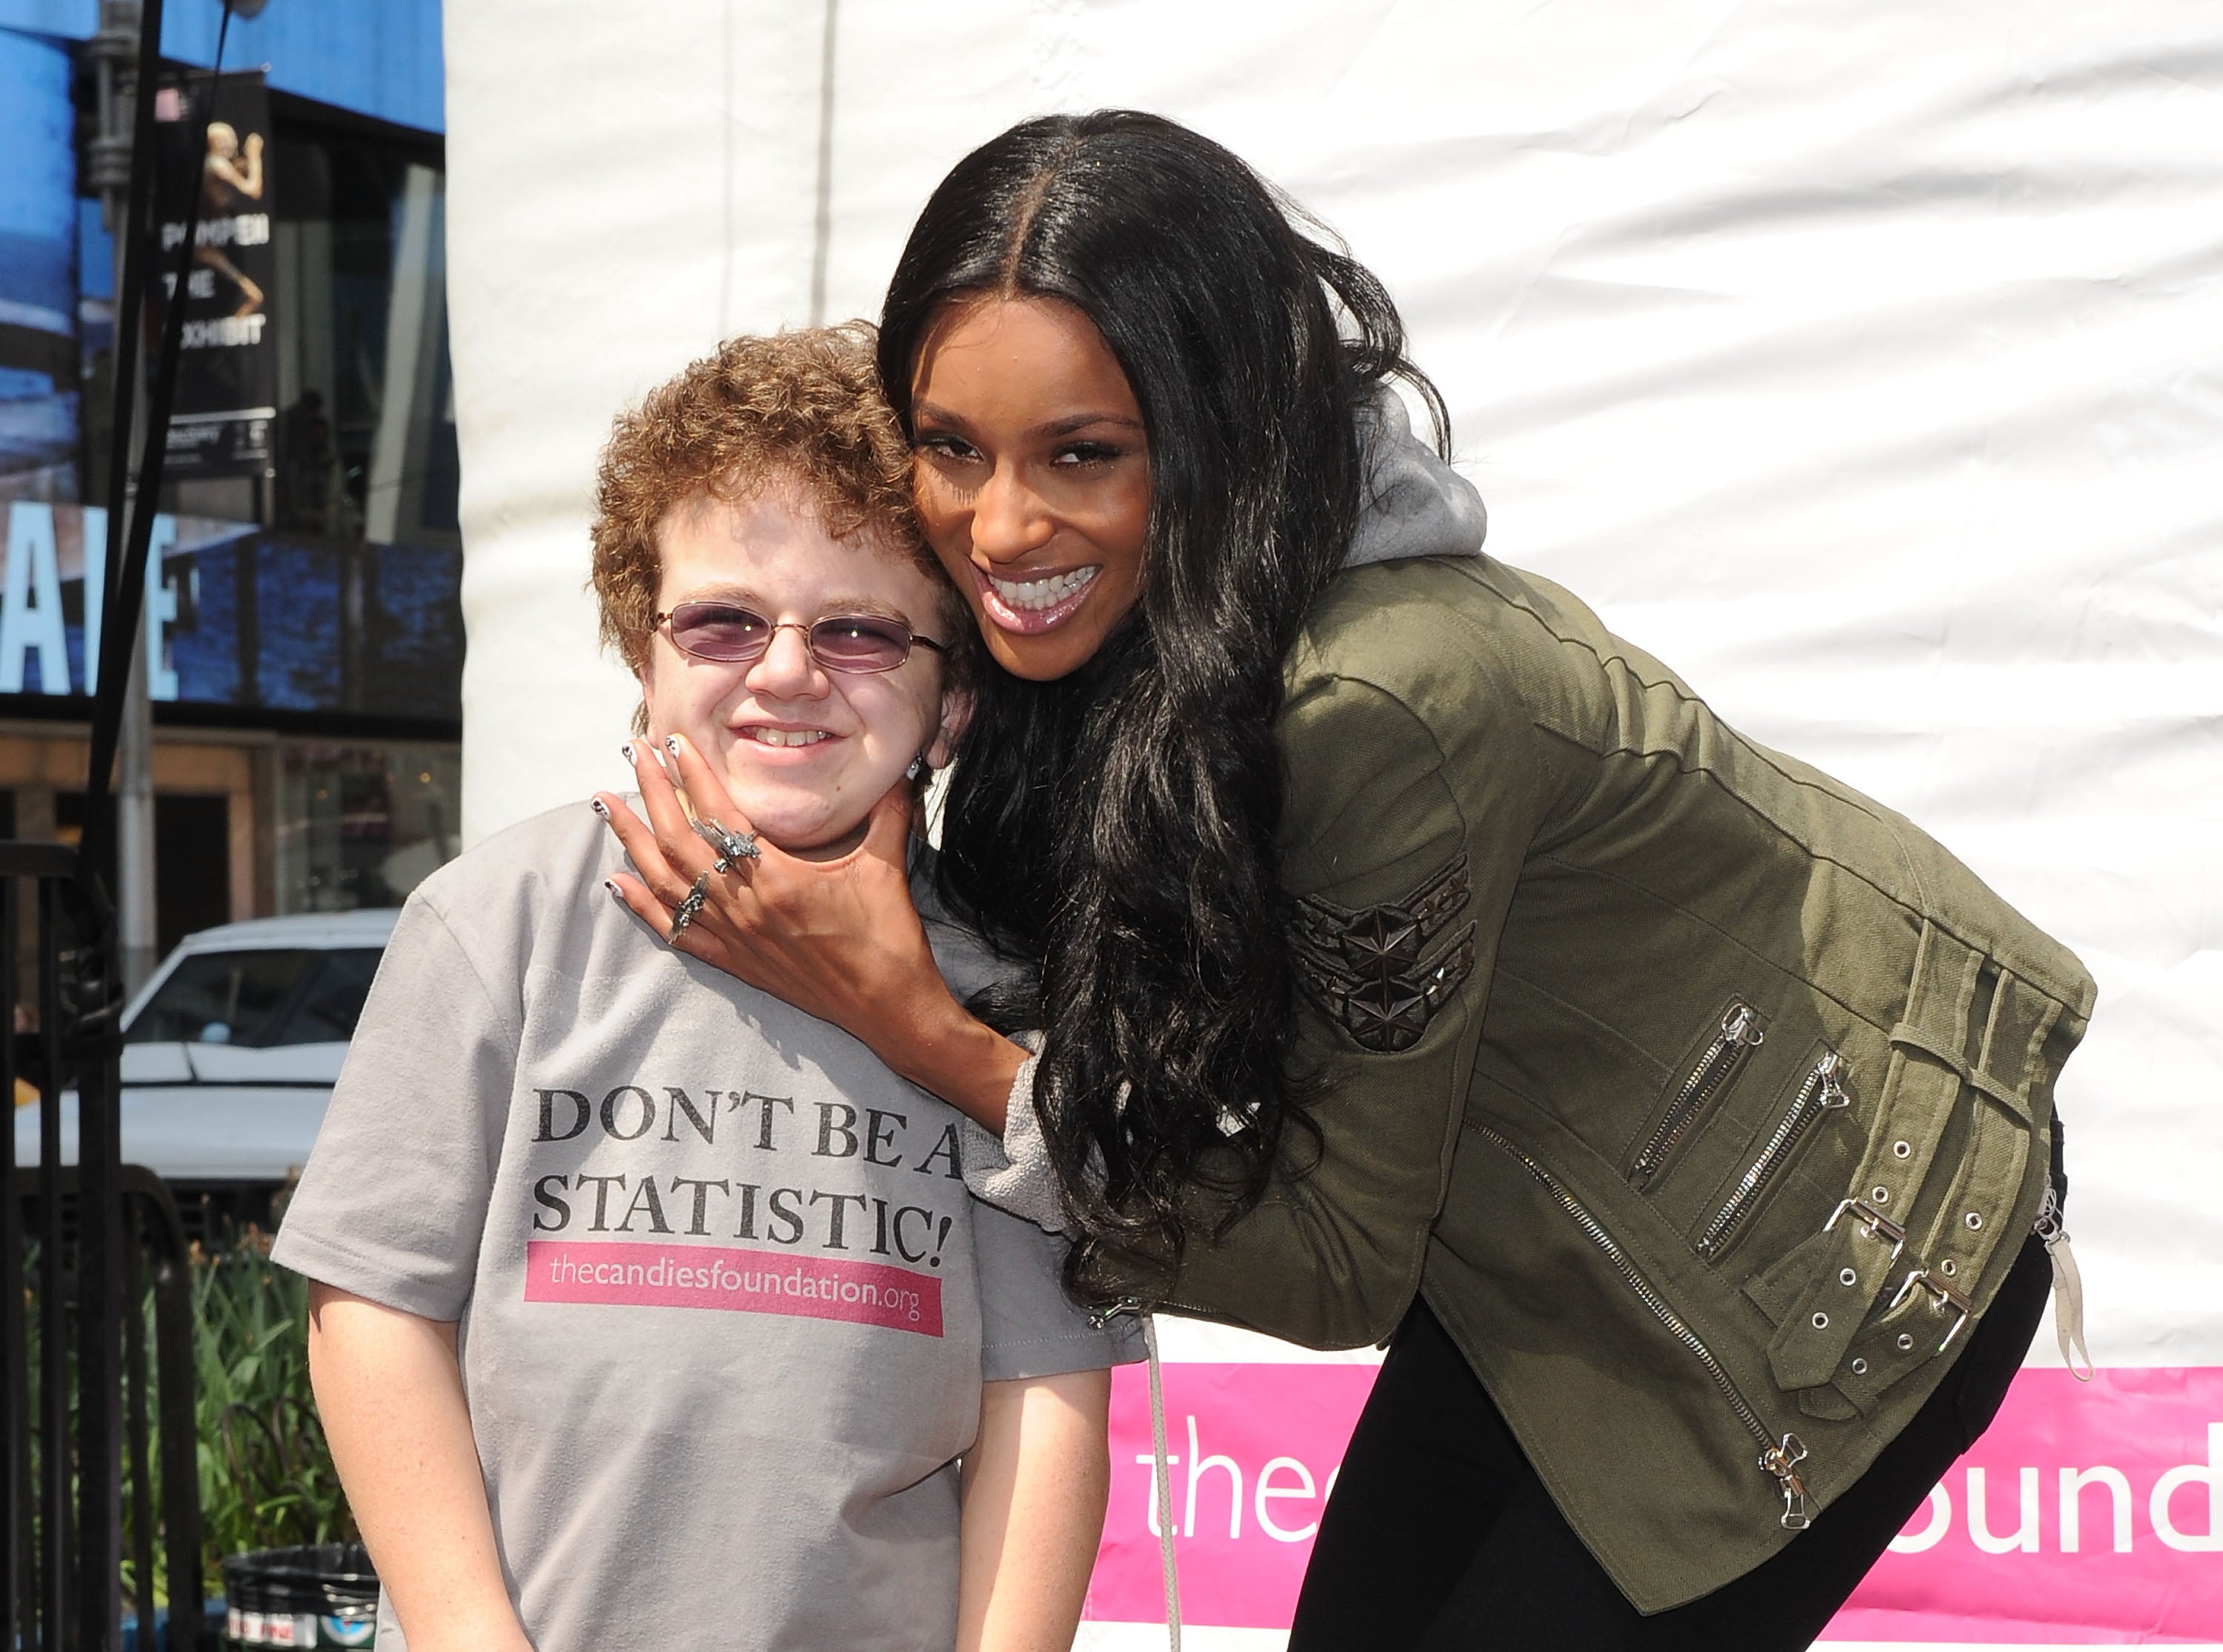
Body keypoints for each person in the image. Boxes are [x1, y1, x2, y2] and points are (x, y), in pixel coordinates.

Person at [603, 113, 2095, 1650]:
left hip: (1831, 1228)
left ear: (1216, 422)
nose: (999, 526)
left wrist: (922, 1026)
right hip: (1547, 1222)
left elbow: (1334, 1259)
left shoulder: (1372, 709)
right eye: (952, 447)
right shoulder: (1131, 609)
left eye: (1083, 454)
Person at [274, 324, 1135, 1652]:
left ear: (951, 701)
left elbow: (1051, 1393)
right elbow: (372, 1308)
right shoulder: (492, 925)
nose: (787, 671)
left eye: (858, 630)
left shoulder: (1001, 991)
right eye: (726, 618)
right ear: (644, 649)